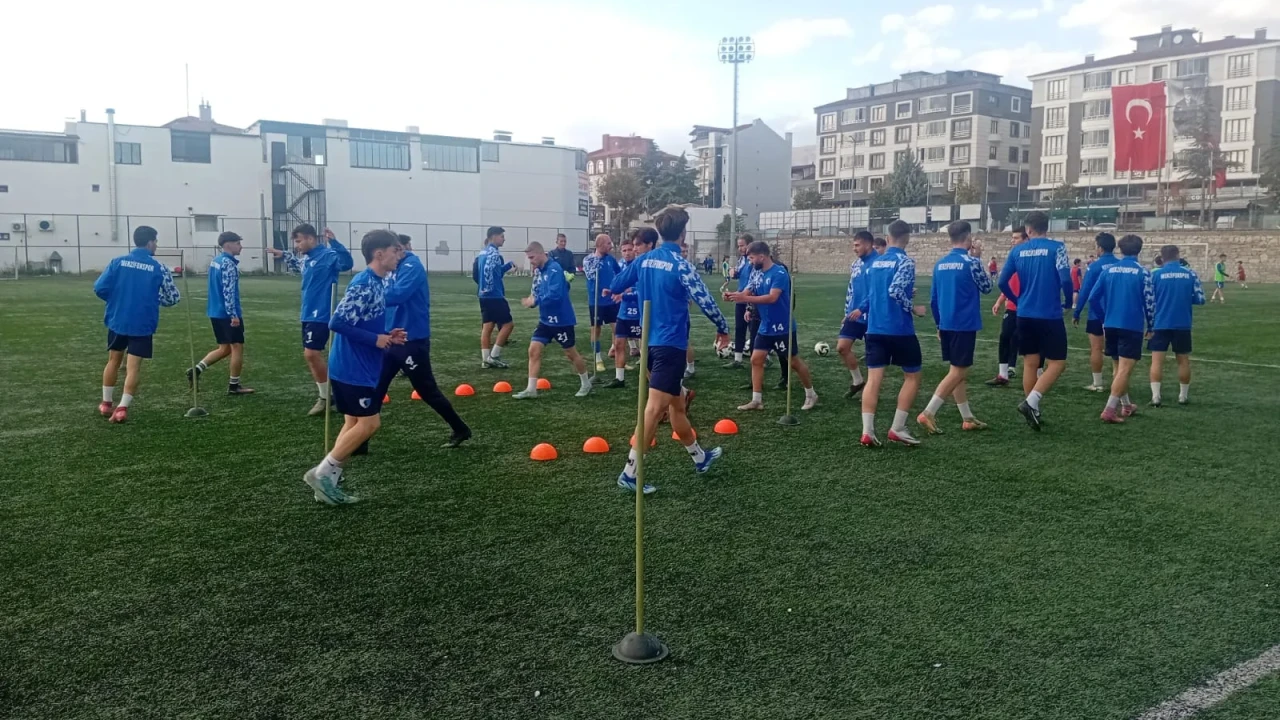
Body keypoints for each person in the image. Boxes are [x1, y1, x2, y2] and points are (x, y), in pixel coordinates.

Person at [609, 205, 729, 495]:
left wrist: (641, 281)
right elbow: (704, 299)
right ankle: (629, 473)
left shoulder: (643, 260)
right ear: (683, 233)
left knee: (677, 405)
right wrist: (722, 327)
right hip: (671, 345)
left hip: (649, 345)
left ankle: (700, 458)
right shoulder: (680, 264)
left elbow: (616, 284)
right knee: (654, 409)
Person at [303, 229, 406, 505]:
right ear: (379, 254)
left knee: (352, 423)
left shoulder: (378, 282)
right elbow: (337, 322)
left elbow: (364, 321)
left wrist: (387, 335)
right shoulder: (364, 283)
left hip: (360, 365)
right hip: (352, 367)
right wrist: (375, 339)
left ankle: (328, 481)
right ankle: (321, 474)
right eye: (395, 251)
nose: (399, 255)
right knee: (370, 423)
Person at [371, 234, 471, 448]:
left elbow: (398, 294)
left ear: (401, 248)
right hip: (391, 337)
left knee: (427, 390)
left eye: (395, 249)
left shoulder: (412, 266)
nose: (393, 254)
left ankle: (460, 428)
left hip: (411, 339)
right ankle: (361, 441)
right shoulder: (391, 267)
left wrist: (368, 297)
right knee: (376, 387)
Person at [93, 225, 182, 423]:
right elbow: (173, 298)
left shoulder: (117, 262)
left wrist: (116, 299)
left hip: (118, 319)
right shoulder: (159, 267)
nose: (156, 245)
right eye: (156, 241)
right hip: (142, 322)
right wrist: (154, 299)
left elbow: (99, 288)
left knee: (113, 361)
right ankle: (122, 408)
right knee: (133, 368)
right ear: (150, 242)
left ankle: (106, 404)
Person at [850, 220, 927, 447]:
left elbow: (874, 294)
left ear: (887, 236)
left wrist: (860, 309)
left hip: (875, 328)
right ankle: (897, 428)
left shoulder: (876, 262)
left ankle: (867, 432)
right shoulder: (905, 261)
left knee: (874, 379)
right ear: (908, 237)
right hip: (899, 329)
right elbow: (894, 291)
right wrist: (913, 307)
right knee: (912, 376)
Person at [266, 225, 355, 415]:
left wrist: (335, 242)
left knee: (311, 353)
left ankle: (327, 396)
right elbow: (298, 265)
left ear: (311, 239)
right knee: (311, 355)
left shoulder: (328, 255)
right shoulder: (307, 258)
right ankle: (329, 394)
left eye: (299, 241)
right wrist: (283, 254)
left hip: (321, 313)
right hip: (307, 312)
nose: (297, 246)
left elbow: (347, 263)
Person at [998, 210, 1073, 431]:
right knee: (1057, 363)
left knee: (1030, 363)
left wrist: (1016, 300)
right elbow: (1066, 278)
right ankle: (1031, 402)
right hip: (1049, 314)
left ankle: (1034, 410)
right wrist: (1068, 302)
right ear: (1046, 227)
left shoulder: (1017, 250)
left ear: (1028, 229)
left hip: (1024, 314)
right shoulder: (1057, 248)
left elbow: (1002, 282)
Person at [918, 221, 993, 433]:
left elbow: (933, 299)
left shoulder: (940, 264)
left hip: (946, 323)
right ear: (968, 237)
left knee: (957, 370)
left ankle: (967, 418)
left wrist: (939, 325)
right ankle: (929, 412)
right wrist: (978, 258)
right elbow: (987, 287)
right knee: (958, 371)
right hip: (964, 324)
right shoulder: (971, 262)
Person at [728, 241, 818, 412]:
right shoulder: (756, 272)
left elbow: (772, 298)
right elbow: (747, 291)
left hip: (782, 327)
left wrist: (744, 299)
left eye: (752, 258)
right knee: (756, 359)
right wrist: (734, 295)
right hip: (766, 325)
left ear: (762, 256)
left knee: (793, 362)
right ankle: (757, 400)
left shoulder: (779, 273)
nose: (750, 262)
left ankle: (811, 394)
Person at [1083, 234, 1153, 423]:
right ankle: (1109, 409)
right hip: (1131, 325)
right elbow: (1149, 301)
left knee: (1117, 367)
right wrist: (1151, 324)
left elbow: (1093, 297)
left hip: (1110, 324)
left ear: (1120, 249)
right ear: (1139, 250)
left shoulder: (1109, 270)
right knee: (1124, 370)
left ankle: (1126, 405)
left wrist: (1103, 316)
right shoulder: (1143, 272)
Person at [515, 242, 592, 399]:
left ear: (541, 253)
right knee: (533, 350)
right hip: (545, 320)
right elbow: (536, 290)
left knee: (570, 353)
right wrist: (531, 300)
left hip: (562, 321)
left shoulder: (554, 269)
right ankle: (531, 389)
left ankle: (586, 383)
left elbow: (555, 295)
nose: (530, 261)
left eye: (532, 257)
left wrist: (536, 301)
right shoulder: (539, 271)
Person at [188, 231, 254, 395]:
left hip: (215, 312)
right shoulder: (228, 264)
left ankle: (196, 370)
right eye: (238, 243)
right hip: (226, 314)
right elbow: (228, 291)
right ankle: (234, 386)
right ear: (228, 245)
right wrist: (233, 315)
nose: (241, 246)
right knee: (237, 347)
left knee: (225, 348)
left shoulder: (215, 261)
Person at [1148, 245, 1205, 407]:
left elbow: (1149, 299)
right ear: (1178, 256)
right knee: (1183, 360)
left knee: (1157, 361)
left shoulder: (1155, 274)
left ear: (1162, 257)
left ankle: (1156, 396)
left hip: (1160, 323)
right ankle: (1183, 396)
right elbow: (1200, 299)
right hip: (1182, 323)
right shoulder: (1190, 274)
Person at [1073, 232, 1119, 393]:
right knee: (1117, 351)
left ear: (1100, 248)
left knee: (1096, 348)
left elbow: (1085, 291)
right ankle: (1118, 384)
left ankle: (1097, 383)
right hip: (1117, 314)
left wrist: (1077, 312)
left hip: (1096, 314)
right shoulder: (1121, 265)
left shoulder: (1094, 267)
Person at [986, 229, 1028, 387]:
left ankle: (1036, 373)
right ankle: (1003, 374)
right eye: (1012, 237)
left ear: (1026, 238)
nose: (1012, 240)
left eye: (1016, 238)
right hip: (1012, 307)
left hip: (1027, 307)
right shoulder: (1013, 258)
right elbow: (1007, 284)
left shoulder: (1029, 259)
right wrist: (999, 301)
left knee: (1030, 340)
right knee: (1005, 337)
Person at [604, 232, 644, 388]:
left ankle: (650, 377)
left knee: (646, 348)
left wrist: (625, 294)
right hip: (624, 314)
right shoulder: (620, 266)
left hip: (640, 313)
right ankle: (619, 378)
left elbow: (641, 291)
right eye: (624, 250)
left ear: (635, 250)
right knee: (619, 344)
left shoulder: (641, 266)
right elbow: (618, 287)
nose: (627, 253)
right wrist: (611, 291)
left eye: (630, 249)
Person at [838, 231, 875, 398]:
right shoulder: (855, 264)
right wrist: (847, 311)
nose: (854, 248)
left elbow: (877, 292)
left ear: (868, 244)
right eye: (854, 245)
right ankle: (858, 381)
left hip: (872, 315)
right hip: (854, 314)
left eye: (857, 245)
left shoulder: (878, 263)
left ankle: (871, 391)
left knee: (873, 357)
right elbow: (851, 290)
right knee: (842, 347)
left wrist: (862, 308)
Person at [477, 226, 515, 368]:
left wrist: (508, 266)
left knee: (487, 327)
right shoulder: (493, 253)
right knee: (508, 325)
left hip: (483, 295)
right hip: (493, 295)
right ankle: (494, 356)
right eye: (502, 236)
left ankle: (485, 360)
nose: (504, 239)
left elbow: (494, 272)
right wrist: (489, 288)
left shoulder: (482, 252)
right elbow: (488, 271)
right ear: (494, 236)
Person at [583, 234, 620, 373]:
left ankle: (617, 355)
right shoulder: (589, 260)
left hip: (612, 300)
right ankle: (597, 359)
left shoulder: (610, 259)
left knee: (618, 329)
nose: (611, 246)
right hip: (596, 301)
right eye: (608, 243)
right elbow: (591, 276)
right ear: (600, 245)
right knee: (596, 329)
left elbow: (619, 273)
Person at [722, 233, 753, 368]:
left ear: (750, 245)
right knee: (740, 328)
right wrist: (733, 272)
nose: (740, 248)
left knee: (754, 330)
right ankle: (737, 360)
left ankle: (762, 357)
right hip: (740, 298)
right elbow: (738, 274)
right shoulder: (742, 260)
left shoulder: (754, 261)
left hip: (751, 298)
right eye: (738, 246)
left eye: (742, 245)